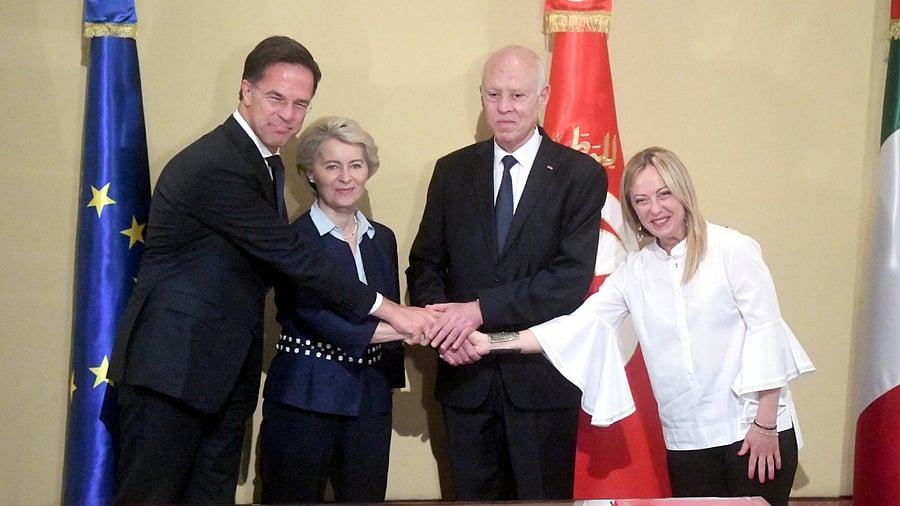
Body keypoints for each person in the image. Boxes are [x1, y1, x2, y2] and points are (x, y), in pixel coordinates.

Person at [108, 37, 433, 505]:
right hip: (171, 373)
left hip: (219, 377)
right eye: (276, 98)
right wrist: (393, 312)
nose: (288, 114)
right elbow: (291, 255)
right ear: (246, 92)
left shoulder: (263, 162)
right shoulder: (218, 163)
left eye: (300, 104)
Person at [452, 146, 816, 506]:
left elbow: (766, 333)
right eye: (641, 201)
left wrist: (766, 424)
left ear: (684, 192)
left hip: (751, 430)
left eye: (663, 194)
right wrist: (490, 343)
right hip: (686, 440)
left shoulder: (733, 250)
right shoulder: (635, 271)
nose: (655, 209)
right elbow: (577, 326)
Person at [406, 45, 608, 500]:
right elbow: (425, 264)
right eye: (493, 95)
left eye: (517, 95)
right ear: (481, 97)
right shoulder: (451, 171)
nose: (504, 108)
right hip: (464, 382)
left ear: (543, 96)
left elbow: (568, 281)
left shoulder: (580, 175)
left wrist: (478, 311)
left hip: (541, 385)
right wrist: (445, 332)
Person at [258, 116, 409, 503]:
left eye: (355, 165)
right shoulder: (292, 241)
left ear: (368, 171)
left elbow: (388, 310)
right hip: (305, 399)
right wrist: (416, 326)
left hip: (370, 402)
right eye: (332, 166)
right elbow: (316, 319)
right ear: (310, 173)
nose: (346, 177)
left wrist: (406, 339)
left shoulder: (383, 239)